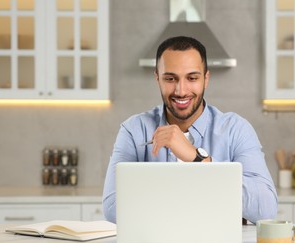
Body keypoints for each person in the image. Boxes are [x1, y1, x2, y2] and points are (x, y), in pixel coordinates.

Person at [102, 36, 278, 224]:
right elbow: (112, 207)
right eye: (170, 78)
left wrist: (196, 158)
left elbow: (266, 209)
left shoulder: (236, 130)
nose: (181, 90)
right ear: (157, 79)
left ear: (206, 79)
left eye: (192, 78)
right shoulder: (133, 130)